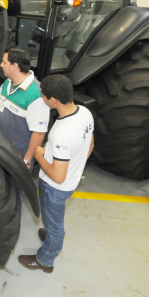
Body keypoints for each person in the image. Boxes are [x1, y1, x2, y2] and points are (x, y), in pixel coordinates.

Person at [18, 74, 94, 273]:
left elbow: (58, 176)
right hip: (70, 181)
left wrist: (38, 154)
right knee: (52, 220)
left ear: (53, 100)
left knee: (55, 225)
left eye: (43, 96)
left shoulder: (61, 132)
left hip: (56, 187)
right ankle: (51, 239)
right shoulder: (85, 113)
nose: (42, 99)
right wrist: (76, 167)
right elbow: (90, 144)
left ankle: (45, 259)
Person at [0, 46, 48, 168]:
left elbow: (39, 133)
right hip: (2, 146)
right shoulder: (9, 81)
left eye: (4, 62)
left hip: (18, 154)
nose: (1, 65)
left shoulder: (36, 94)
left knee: (15, 186)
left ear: (15, 66)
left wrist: (27, 160)